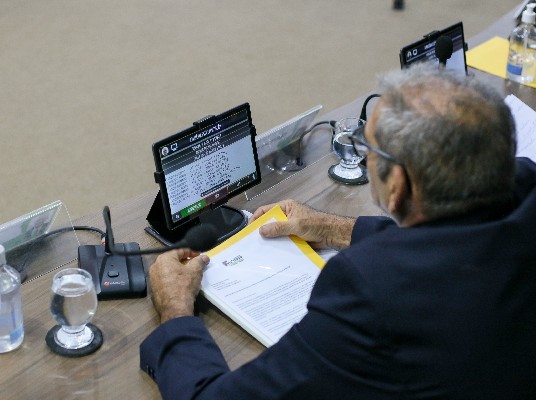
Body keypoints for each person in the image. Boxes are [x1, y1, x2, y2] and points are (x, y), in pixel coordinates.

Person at [139, 64, 536, 399]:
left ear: (397, 185)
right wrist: (334, 228)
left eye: (369, 149)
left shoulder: (371, 291)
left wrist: (175, 310)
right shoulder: (525, 186)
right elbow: (453, 241)